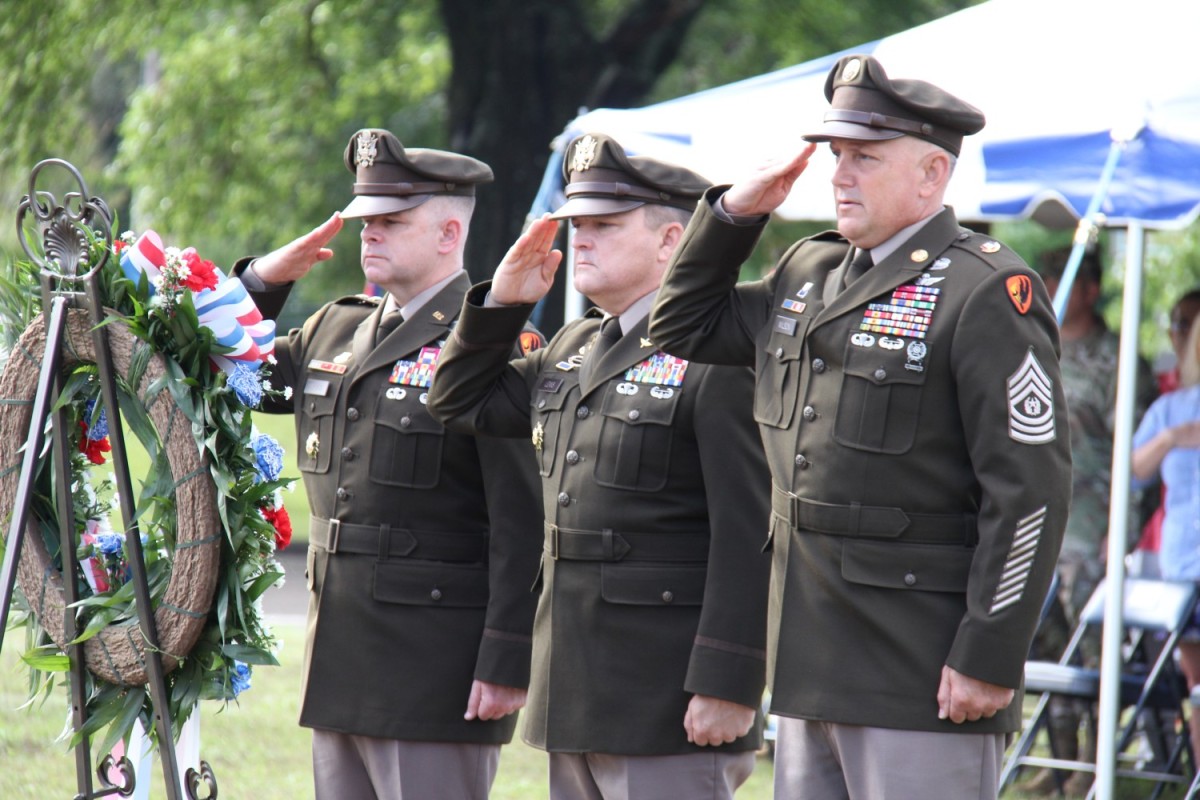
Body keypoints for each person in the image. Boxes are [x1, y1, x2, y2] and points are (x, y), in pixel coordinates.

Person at [648, 55, 1073, 800]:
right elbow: (681, 324)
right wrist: (734, 216)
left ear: (932, 174)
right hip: (808, 661)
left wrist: (990, 651)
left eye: (864, 158)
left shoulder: (983, 289)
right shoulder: (807, 272)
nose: (839, 175)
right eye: (837, 154)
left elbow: (1030, 492)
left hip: (918, 667)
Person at [427, 133, 772, 800]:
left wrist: (730, 681)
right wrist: (502, 306)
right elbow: (460, 401)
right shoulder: (576, 345)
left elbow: (750, 530)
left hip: (666, 695)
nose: (580, 239)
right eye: (578, 224)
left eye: (605, 226)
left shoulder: (718, 357)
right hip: (575, 686)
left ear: (671, 241)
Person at [237, 128, 545, 800]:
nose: (369, 232)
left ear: (448, 233)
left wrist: (506, 656)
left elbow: (523, 518)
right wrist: (263, 281)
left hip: (435, 668)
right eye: (365, 219)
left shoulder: (494, 345)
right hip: (338, 659)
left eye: (391, 221)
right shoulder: (335, 328)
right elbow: (229, 371)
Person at [1017, 245, 1157, 796]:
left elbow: (1137, 457)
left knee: (1092, 645)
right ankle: (1061, 763)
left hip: (1091, 520)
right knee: (1040, 638)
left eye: (1062, 279)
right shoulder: (1033, 346)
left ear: (1091, 290)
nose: (1051, 287)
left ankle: (1095, 769)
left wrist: (1120, 532)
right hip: (1036, 518)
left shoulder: (1119, 361)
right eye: (1048, 277)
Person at [1132, 314, 1200, 751]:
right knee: (1197, 686)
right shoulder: (1172, 408)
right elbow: (1132, 474)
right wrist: (1172, 437)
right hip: (1184, 564)